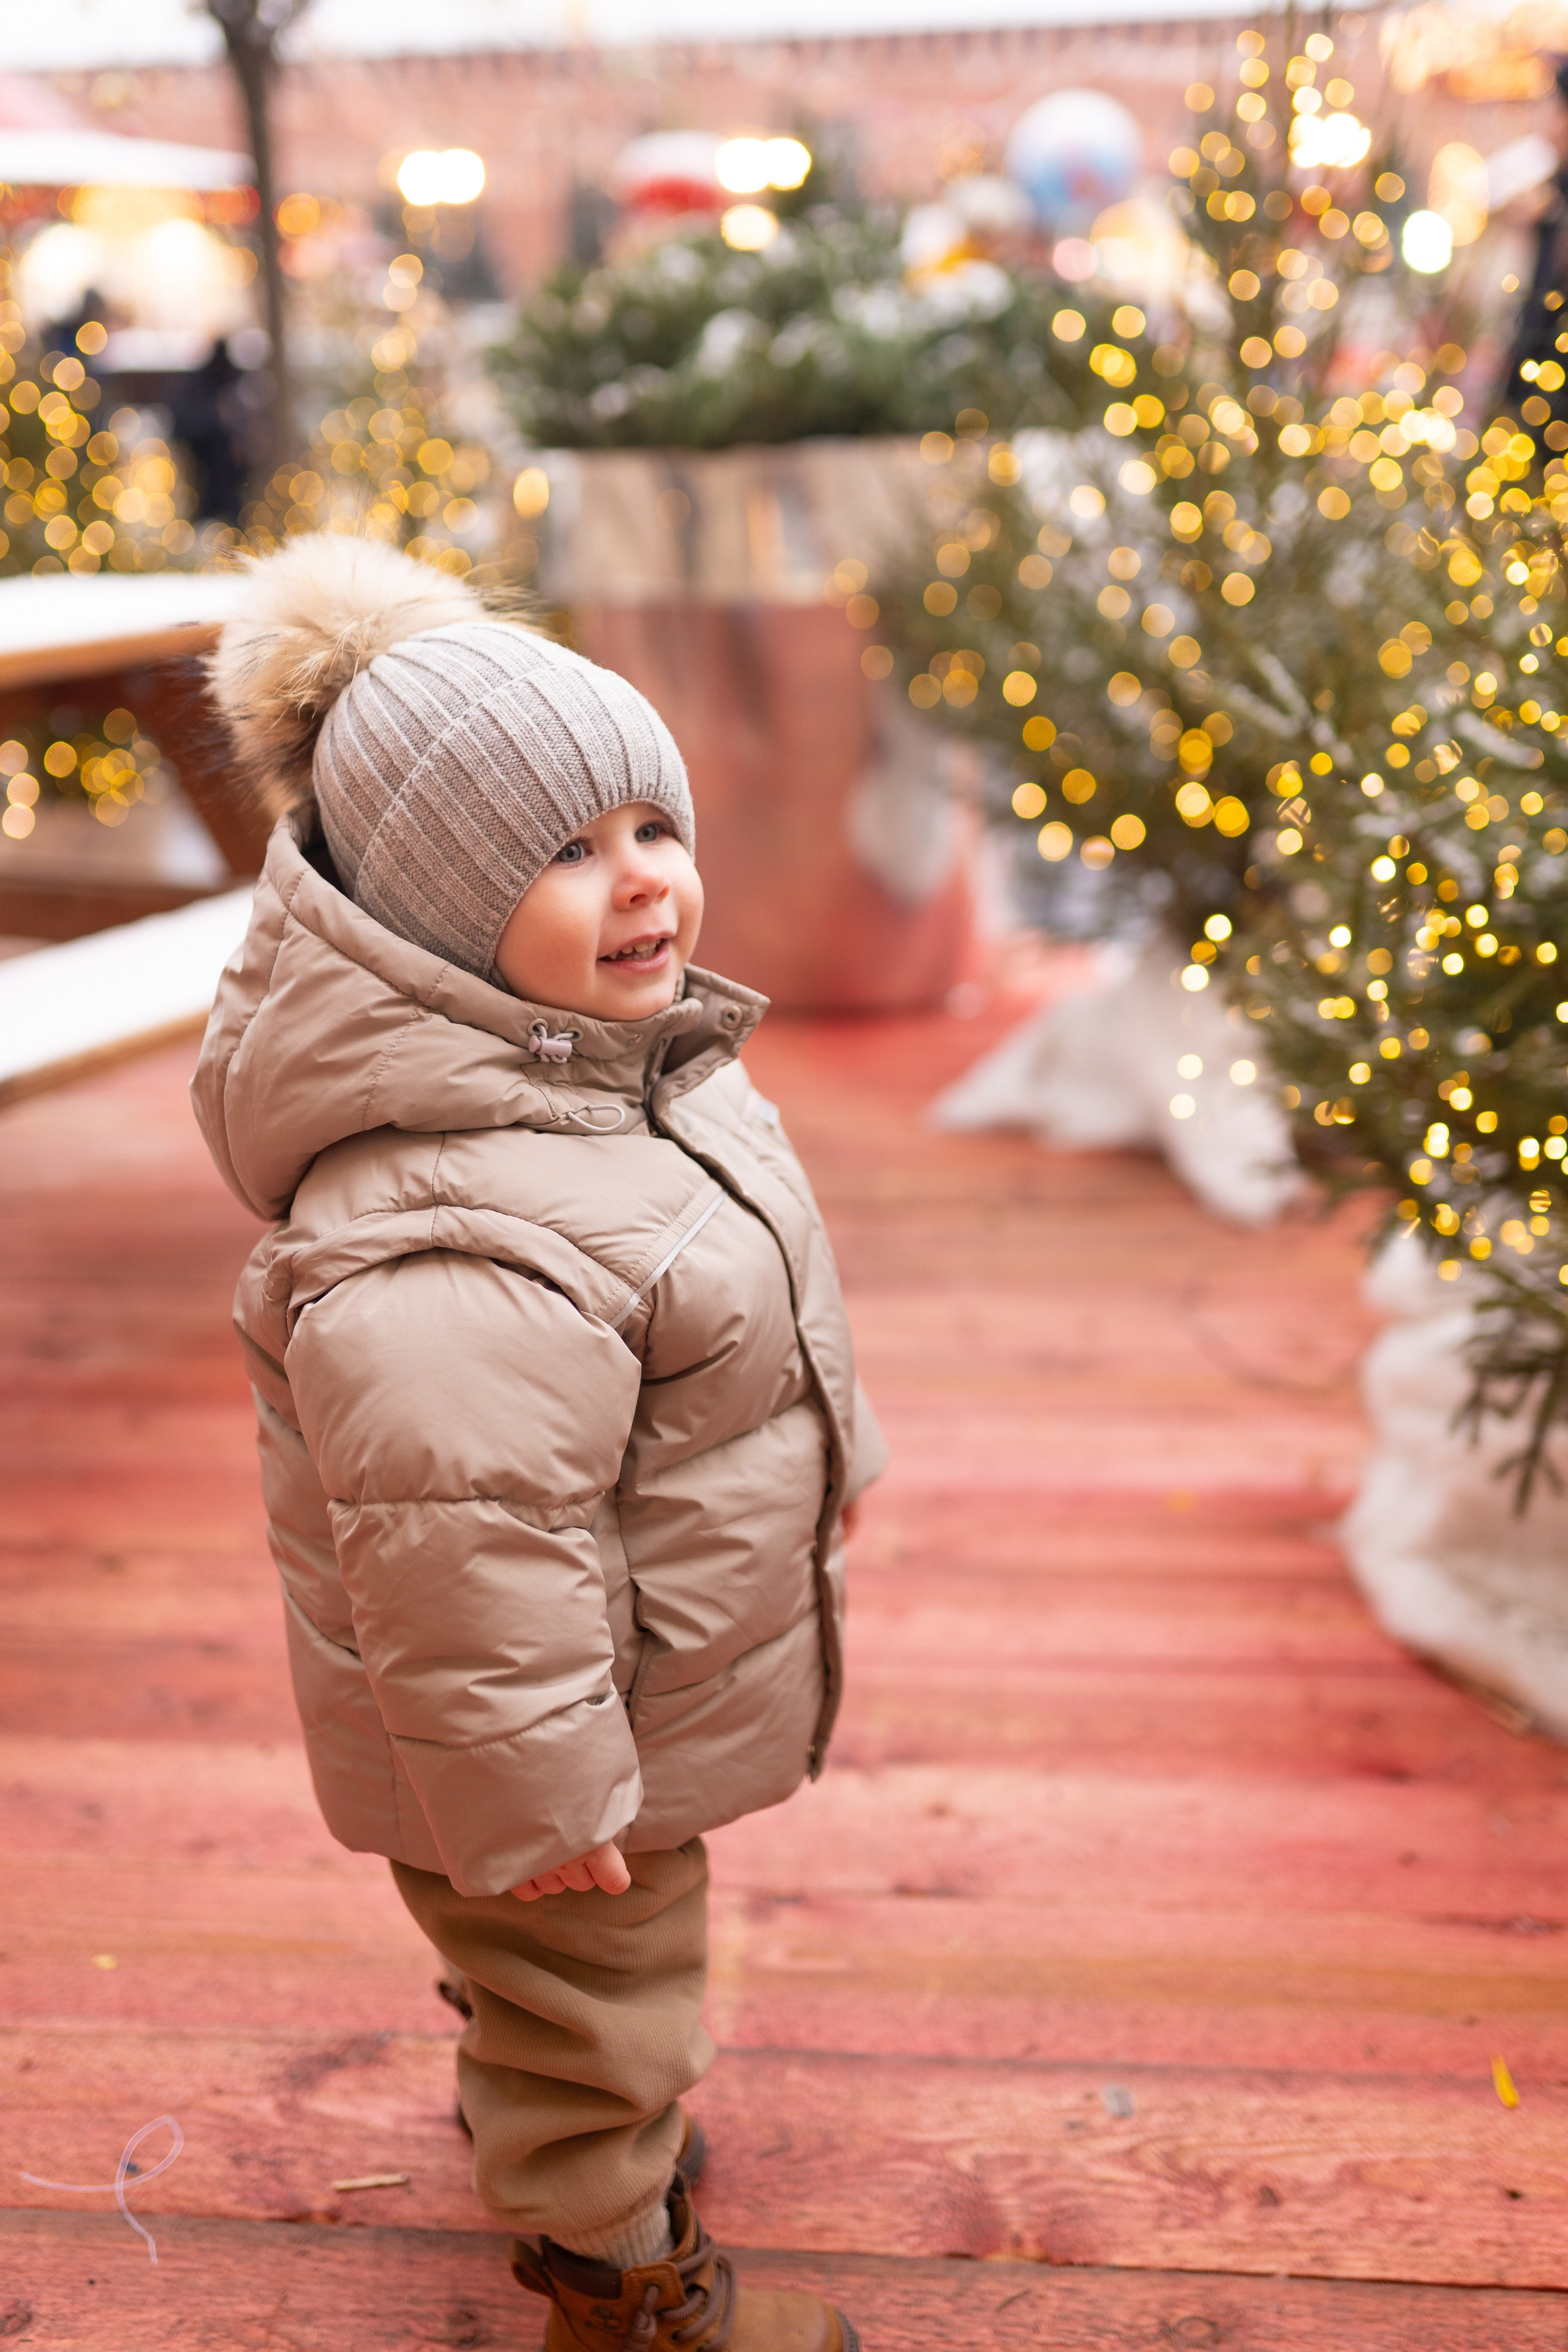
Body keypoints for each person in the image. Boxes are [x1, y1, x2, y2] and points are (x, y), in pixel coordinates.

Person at [192, 535, 883, 2351]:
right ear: (435, 912)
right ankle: (617, 2273)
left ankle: (568, 2104)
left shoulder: (614, 1071)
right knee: (595, 2002)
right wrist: (538, 1794)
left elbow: (752, 1314)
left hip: (613, 1684)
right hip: (547, 1744)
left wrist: (841, 1464)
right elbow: (459, 1544)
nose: (643, 878)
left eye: (652, 824)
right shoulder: (448, 1225)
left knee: (588, 1983)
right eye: (565, 852)